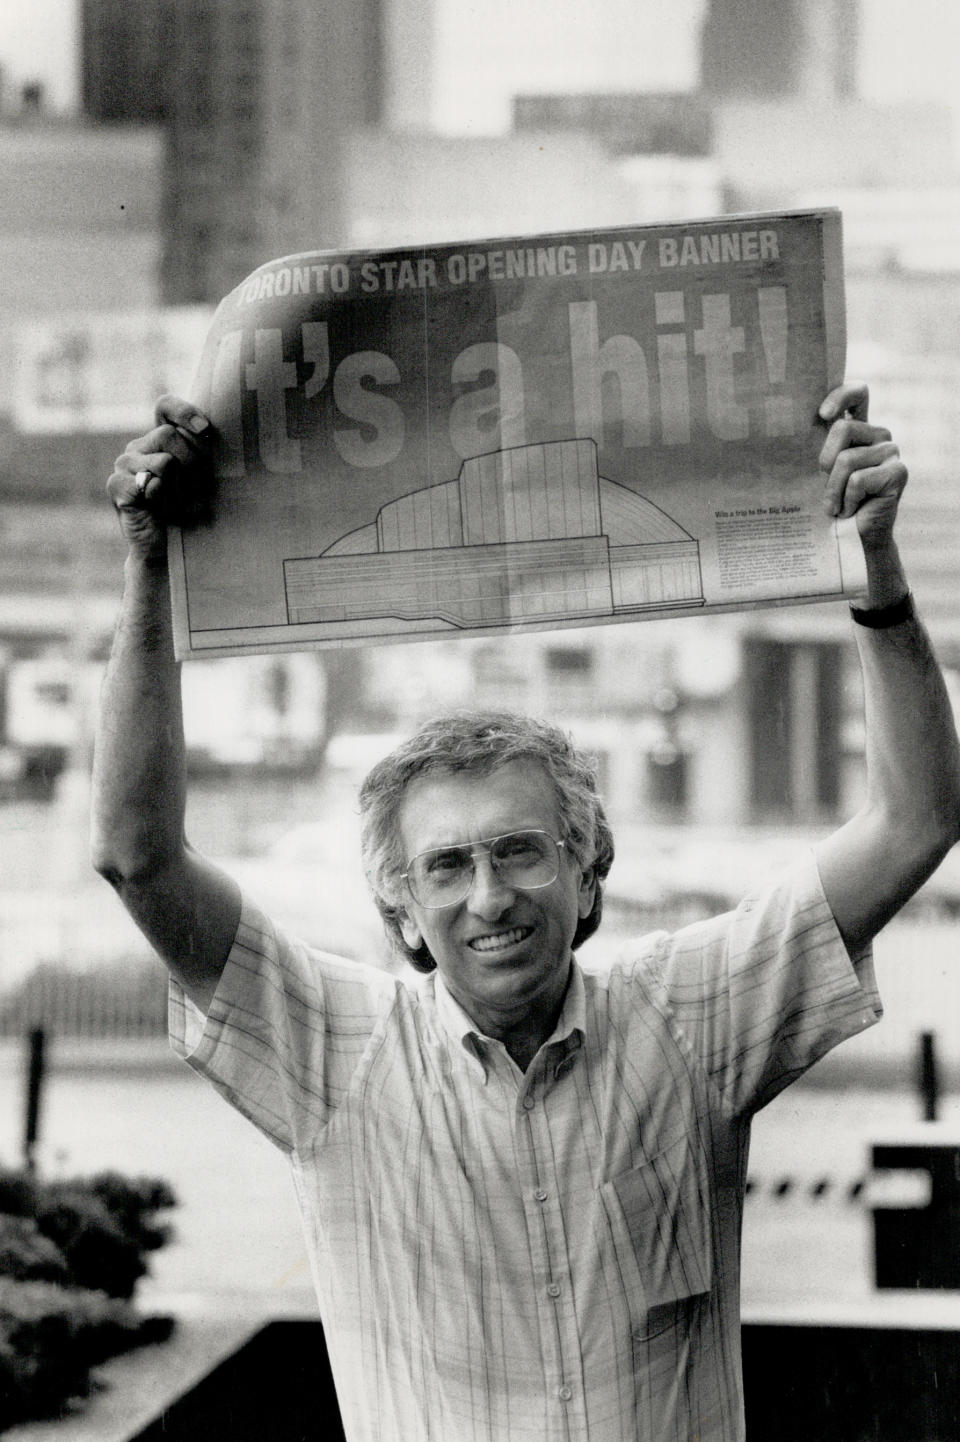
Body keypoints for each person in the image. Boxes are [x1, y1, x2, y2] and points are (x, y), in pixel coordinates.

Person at [92, 383, 960, 1442]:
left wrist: (873, 569)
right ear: (402, 911)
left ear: (588, 872)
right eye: (446, 866)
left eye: (519, 849)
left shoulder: (695, 1016)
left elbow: (918, 818)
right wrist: (148, 567)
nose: (490, 894)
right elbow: (139, 858)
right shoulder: (332, 1049)